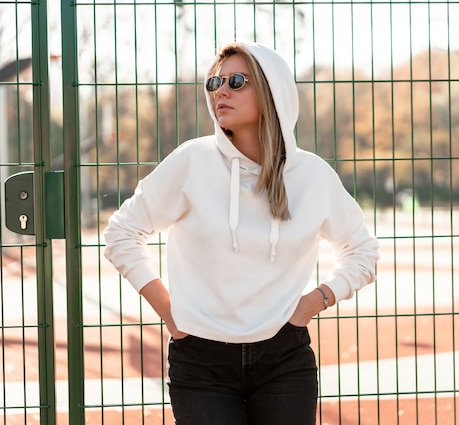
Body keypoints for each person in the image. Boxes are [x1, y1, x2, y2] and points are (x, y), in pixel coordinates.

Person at [103, 41, 379, 425]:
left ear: (271, 92)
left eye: (236, 81)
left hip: (284, 358)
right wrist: (171, 314)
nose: (221, 91)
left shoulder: (311, 176)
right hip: (200, 361)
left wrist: (313, 303)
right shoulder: (191, 162)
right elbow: (121, 234)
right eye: (215, 82)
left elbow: (363, 251)